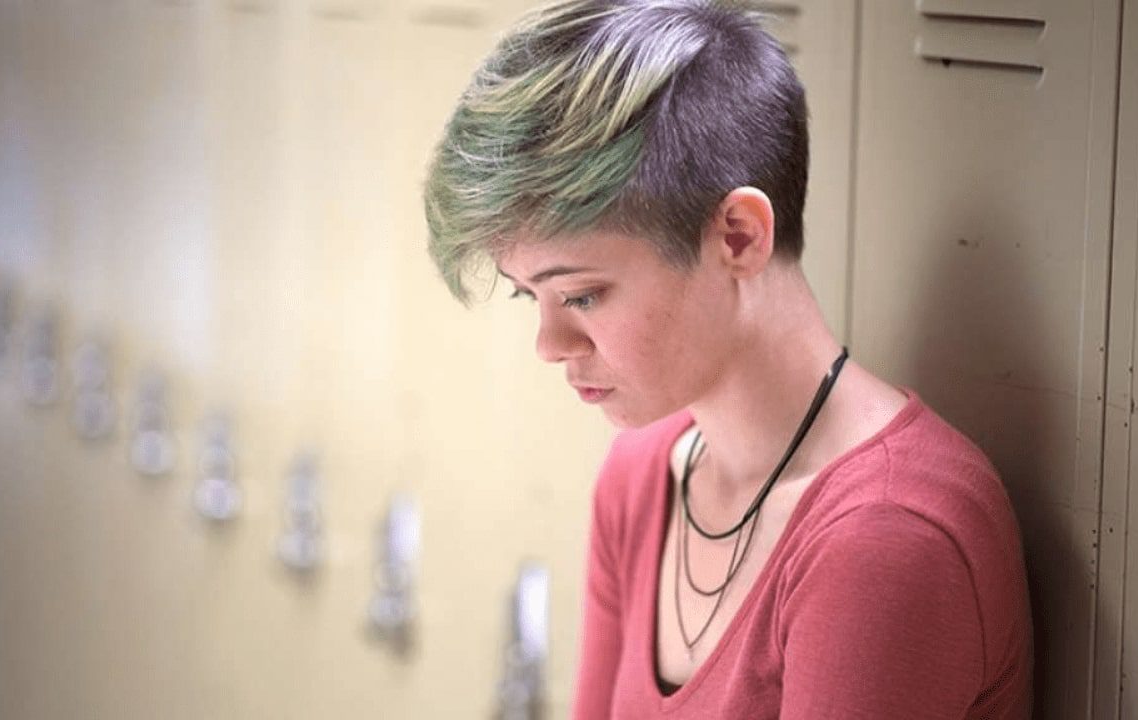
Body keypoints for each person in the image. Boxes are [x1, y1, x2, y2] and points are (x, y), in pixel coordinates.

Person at [422, 1, 1034, 717]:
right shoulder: (642, 474)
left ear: (739, 237)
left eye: (582, 296)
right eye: (531, 298)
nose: (550, 347)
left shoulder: (885, 541)